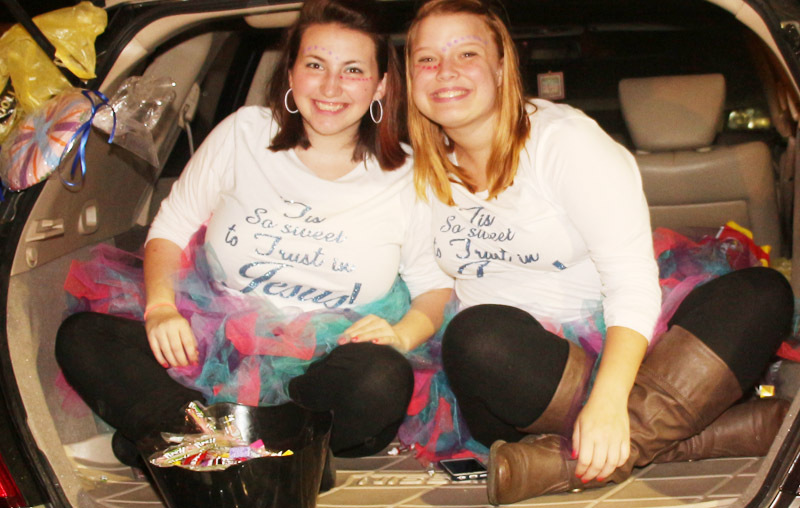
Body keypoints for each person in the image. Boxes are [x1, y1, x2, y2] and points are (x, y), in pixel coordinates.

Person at [404, 0, 794, 504]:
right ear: (409, 76)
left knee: (763, 293)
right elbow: (428, 283)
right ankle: (694, 435)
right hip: (512, 376)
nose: (445, 71)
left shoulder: (563, 141)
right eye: (427, 59)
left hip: (626, 346)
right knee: (475, 337)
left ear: (501, 67)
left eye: (466, 53)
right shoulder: (418, 171)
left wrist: (609, 403)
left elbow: (630, 280)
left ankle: (563, 462)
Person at [55, 0, 452, 474]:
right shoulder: (242, 133)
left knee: (380, 379)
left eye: (352, 70)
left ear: (381, 85)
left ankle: (180, 442)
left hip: (327, 370)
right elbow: (171, 228)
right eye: (315, 65)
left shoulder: (408, 175)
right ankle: (244, 446)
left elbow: (433, 287)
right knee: (84, 337)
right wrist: (160, 308)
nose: (331, 86)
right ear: (291, 72)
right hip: (211, 346)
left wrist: (401, 334)